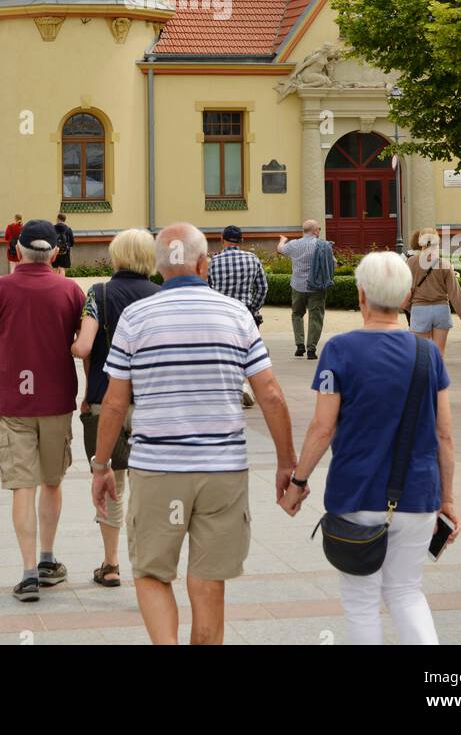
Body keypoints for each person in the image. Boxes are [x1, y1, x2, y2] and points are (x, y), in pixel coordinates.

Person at [92, 223, 296, 646]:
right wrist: (287, 463)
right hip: (222, 472)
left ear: (160, 267)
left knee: (151, 572)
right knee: (208, 581)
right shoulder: (236, 315)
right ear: (204, 264)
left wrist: (102, 465)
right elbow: (271, 396)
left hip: (158, 470)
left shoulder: (135, 317)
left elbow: (113, 403)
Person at [279, 250, 458, 646]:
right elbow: (444, 435)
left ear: (361, 295)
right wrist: (447, 499)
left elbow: (322, 428)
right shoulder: (429, 355)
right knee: (407, 593)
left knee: (361, 602)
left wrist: (298, 482)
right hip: (417, 496)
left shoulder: (340, 350)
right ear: (407, 298)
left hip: (355, 496)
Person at [0, 219, 85, 602]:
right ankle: (49, 560)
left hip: (15, 402)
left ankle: (29, 571)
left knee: (22, 486)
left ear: (16, 251)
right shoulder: (70, 291)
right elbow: (84, 346)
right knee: (52, 481)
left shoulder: (1, 288)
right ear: (54, 252)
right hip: (57, 401)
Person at [72, 228, 161, 587]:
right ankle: (149, 564)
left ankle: (110, 565)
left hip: (104, 400)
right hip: (152, 406)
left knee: (110, 483)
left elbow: (84, 346)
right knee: (150, 488)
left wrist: (73, 349)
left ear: (117, 256)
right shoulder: (162, 296)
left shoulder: (99, 293)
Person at [208, 225, 268, 407]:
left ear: (222, 239)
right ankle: (243, 385)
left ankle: (228, 389)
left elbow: (208, 288)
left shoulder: (213, 262)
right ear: (242, 240)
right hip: (245, 312)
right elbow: (263, 288)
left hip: (220, 314)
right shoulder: (252, 259)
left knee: (222, 352)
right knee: (247, 353)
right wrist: (253, 308)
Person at [406, 229, 461, 357]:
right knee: (439, 352)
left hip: (420, 309)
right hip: (441, 309)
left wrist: (408, 307)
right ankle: (438, 376)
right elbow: (454, 293)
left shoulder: (411, 263)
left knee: (421, 353)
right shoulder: (444, 264)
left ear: (421, 243)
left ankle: (424, 377)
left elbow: (405, 288)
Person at [278, 219, 329, 360]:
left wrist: (283, 240)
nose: (320, 231)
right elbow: (333, 263)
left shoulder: (294, 244)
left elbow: (280, 249)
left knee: (297, 314)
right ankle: (311, 350)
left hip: (298, 286)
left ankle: (299, 345)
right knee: (316, 318)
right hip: (317, 287)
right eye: (319, 228)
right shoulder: (322, 245)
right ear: (315, 231)